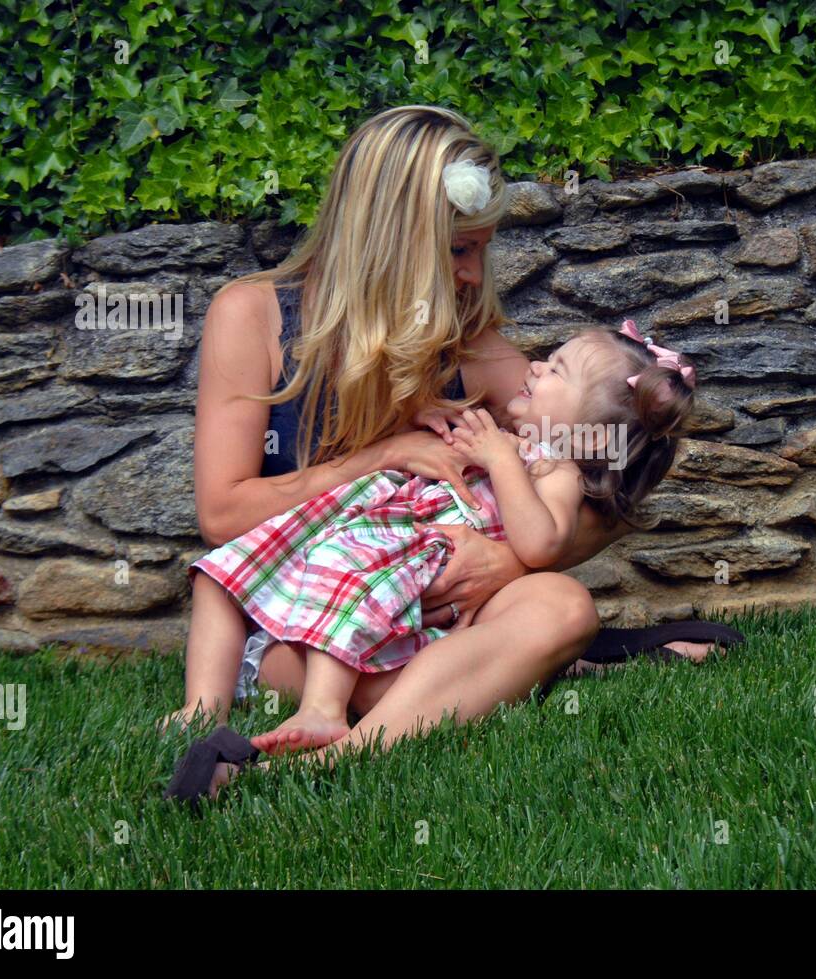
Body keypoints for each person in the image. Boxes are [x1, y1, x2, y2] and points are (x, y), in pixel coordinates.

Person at [167, 105, 737, 769]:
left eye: (482, 250)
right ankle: (532, 674)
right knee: (347, 674)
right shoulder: (254, 315)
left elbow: (603, 455)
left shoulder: (464, 340)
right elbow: (222, 514)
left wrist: (510, 561)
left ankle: (348, 749)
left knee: (561, 605)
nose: (472, 274)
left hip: (423, 614)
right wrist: (379, 458)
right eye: (458, 249)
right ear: (390, 236)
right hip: (305, 616)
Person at [182, 322, 697, 757]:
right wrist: (430, 425)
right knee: (224, 574)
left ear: (586, 431)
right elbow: (445, 451)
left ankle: (329, 715)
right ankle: (202, 712)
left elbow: (543, 544)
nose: (535, 366)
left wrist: (499, 462)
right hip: (371, 579)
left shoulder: (555, 468)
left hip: (415, 587)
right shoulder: (514, 442)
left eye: (556, 369)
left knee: (395, 641)